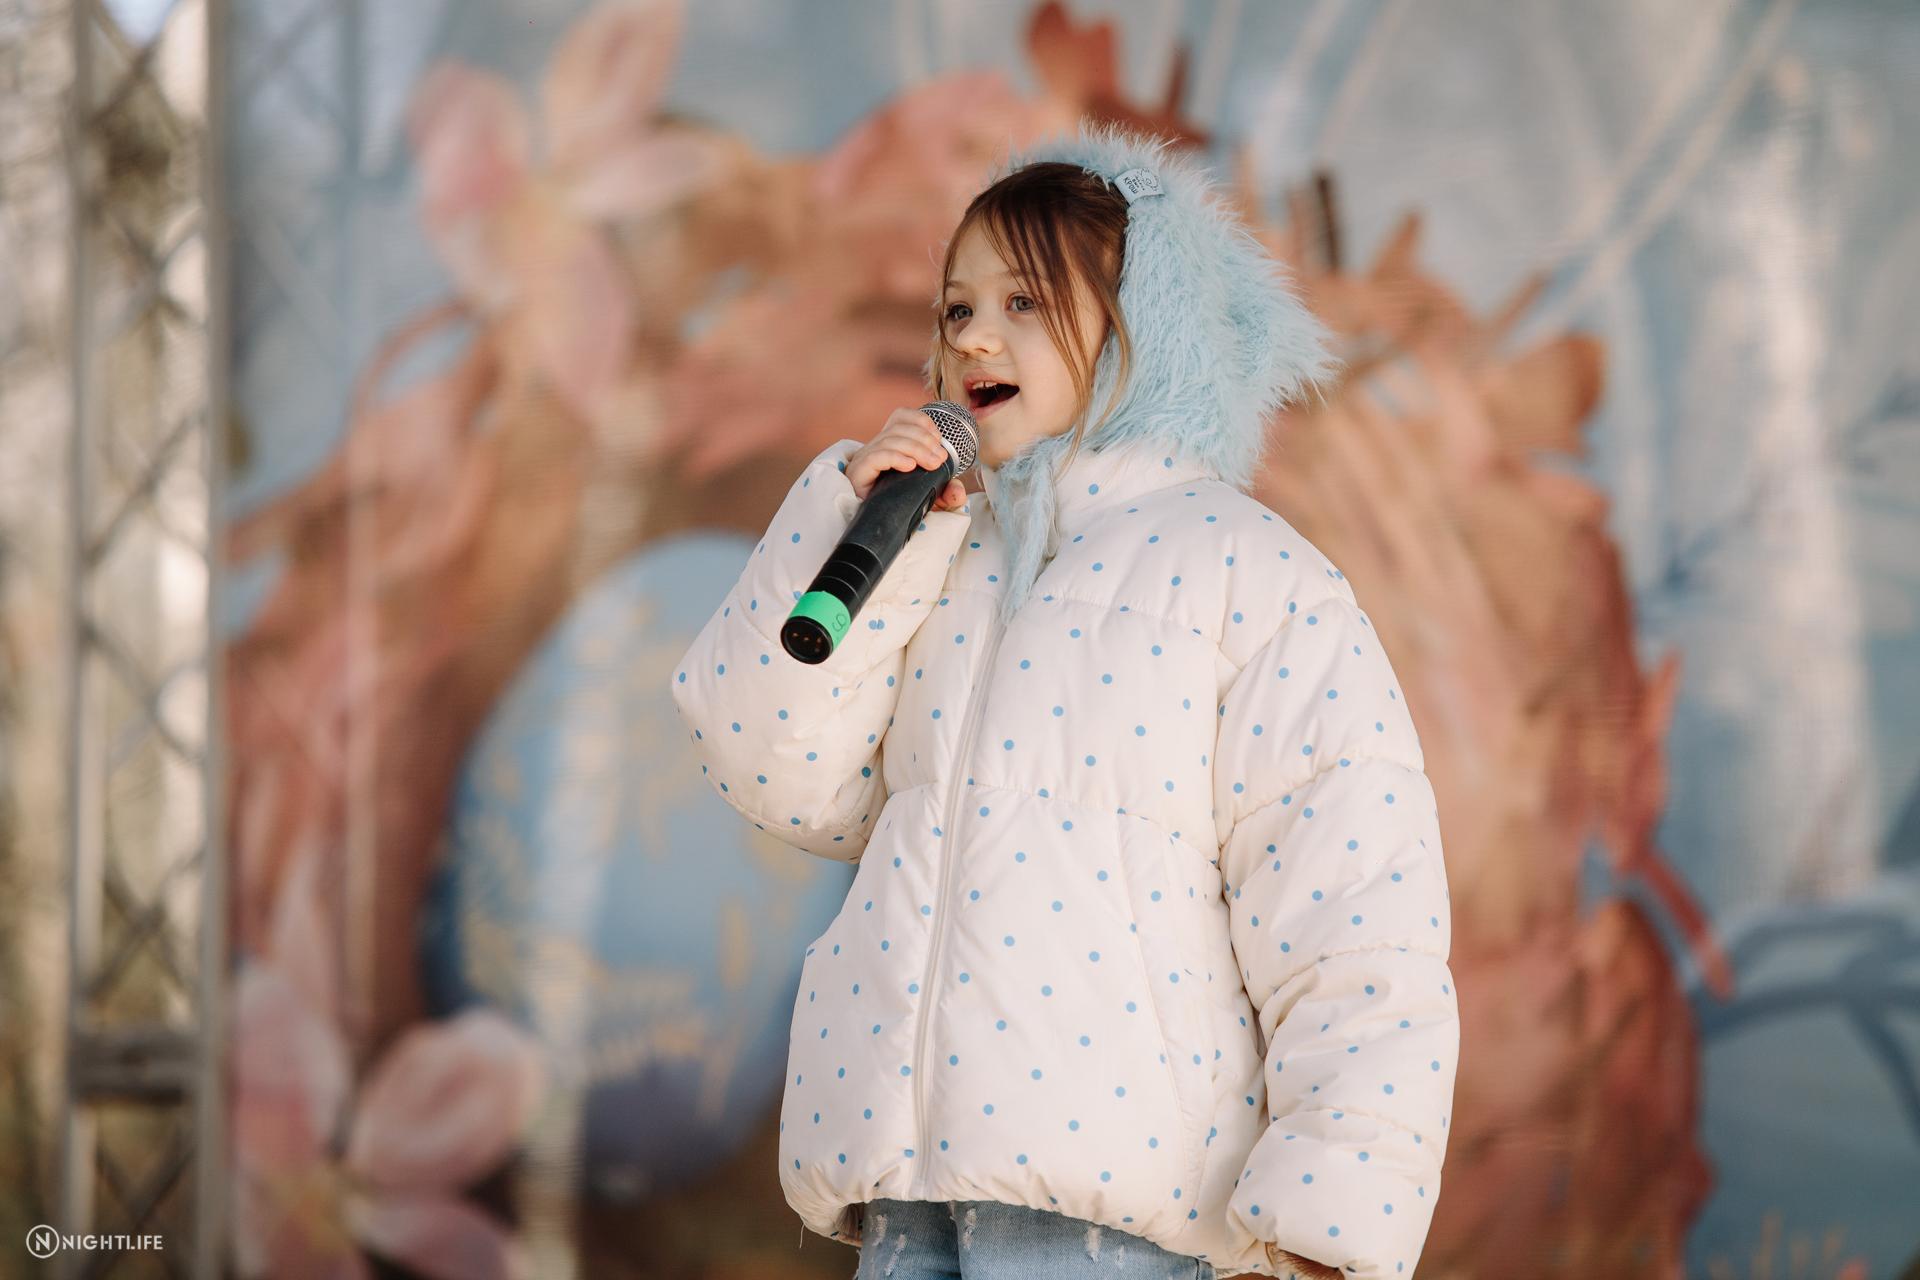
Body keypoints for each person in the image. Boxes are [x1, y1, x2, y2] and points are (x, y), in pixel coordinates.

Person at [669, 121, 1459, 1280]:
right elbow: (773, 765)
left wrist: (1328, 1223)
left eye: (1025, 302)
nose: (974, 335)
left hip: (1117, 1217)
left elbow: (1358, 913)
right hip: (910, 1202)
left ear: (1150, 323)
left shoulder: (1248, 573)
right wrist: (851, 524)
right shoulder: (939, 557)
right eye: (956, 308)